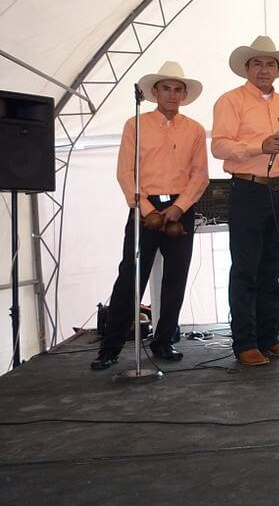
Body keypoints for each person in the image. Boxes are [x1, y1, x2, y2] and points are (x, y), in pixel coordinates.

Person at [91, 61, 209, 370]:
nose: (172, 94)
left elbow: (200, 176)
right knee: (131, 277)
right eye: (166, 88)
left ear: (184, 94)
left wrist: (179, 208)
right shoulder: (136, 124)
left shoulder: (195, 129)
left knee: (175, 279)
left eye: (177, 89)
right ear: (155, 92)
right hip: (145, 208)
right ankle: (110, 347)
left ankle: (163, 340)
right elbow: (125, 173)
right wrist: (147, 209)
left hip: (180, 209)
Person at [211, 36, 279, 366]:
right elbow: (219, 147)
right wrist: (257, 146)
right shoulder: (231, 101)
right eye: (258, 63)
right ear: (247, 68)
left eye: (270, 64)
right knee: (246, 269)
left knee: (272, 268)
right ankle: (245, 342)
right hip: (248, 191)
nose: (264, 69)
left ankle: (269, 338)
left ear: (278, 70)